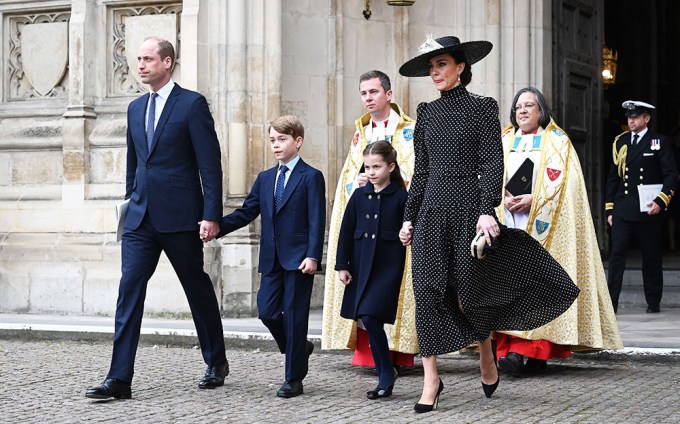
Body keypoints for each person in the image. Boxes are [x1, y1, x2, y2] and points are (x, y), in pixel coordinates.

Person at [398, 35, 579, 413]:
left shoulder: (483, 108)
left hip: (467, 208)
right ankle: (432, 379)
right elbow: (422, 173)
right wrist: (408, 218)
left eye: (442, 64)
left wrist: (486, 209)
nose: (435, 73)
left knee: (469, 293)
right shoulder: (426, 113)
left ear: (461, 66)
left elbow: (491, 164)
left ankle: (485, 352)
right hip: (431, 210)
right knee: (427, 292)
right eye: (431, 67)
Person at [85, 37, 228, 400]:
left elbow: (209, 165)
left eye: (148, 58)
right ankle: (119, 379)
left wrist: (211, 215)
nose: (141, 64)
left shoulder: (192, 104)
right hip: (140, 220)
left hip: (181, 218)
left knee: (196, 288)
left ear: (167, 62)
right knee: (129, 290)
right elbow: (135, 165)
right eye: (138, 59)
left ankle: (216, 361)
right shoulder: (135, 108)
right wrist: (130, 201)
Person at [494, 87, 623, 377]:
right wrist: (500, 199)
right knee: (507, 286)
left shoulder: (557, 142)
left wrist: (534, 199)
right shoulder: (504, 140)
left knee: (538, 287)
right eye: (518, 107)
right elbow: (490, 177)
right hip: (508, 223)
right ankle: (509, 350)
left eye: (529, 106)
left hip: (544, 228)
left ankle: (526, 353)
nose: (523, 111)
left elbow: (569, 189)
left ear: (541, 111)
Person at [216, 115, 325, 398]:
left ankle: (293, 378)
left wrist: (313, 255)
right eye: (272, 140)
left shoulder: (311, 177)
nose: (276, 145)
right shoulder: (265, 178)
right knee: (266, 310)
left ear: (297, 141)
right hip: (272, 258)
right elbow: (247, 212)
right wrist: (217, 227)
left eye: (282, 139)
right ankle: (299, 347)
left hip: (300, 259)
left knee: (295, 316)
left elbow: (316, 220)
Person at [322, 70, 418, 370]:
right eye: (363, 93)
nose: (368, 98)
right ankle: (369, 354)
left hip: (394, 223)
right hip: (367, 219)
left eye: (373, 92)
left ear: (388, 94)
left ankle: (400, 353)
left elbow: (416, 174)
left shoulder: (410, 131)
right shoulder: (360, 133)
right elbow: (349, 177)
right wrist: (359, 182)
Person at [336, 141, 409, 399]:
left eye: (377, 166)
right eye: (368, 166)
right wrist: (342, 265)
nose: (372, 171)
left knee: (370, 314)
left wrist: (405, 233)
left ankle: (386, 374)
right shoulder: (359, 195)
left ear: (390, 166)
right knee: (367, 318)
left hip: (387, 267)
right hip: (360, 264)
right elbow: (346, 230)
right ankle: (385, 374)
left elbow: (409, 228)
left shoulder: (401, 197)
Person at [606, 100, 678, 313]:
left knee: (651, 256)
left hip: (648, 208)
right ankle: (612, 303)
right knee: (616, 255)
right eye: (629, 117)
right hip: (623, 208)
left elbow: (671, 175)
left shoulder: (659, 142)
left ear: (646, 118)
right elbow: (614, 177)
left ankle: (653, 302)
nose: (631, 120)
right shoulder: (621, 141)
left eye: (636, 117)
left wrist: (661, 200)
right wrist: (610, 209)